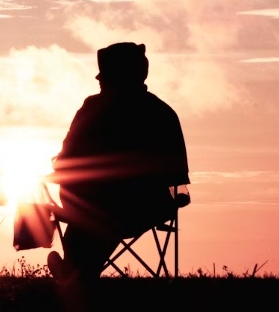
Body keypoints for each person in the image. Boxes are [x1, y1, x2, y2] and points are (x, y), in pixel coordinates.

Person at [48, 42, 190, 281]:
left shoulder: (93, 109)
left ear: (115, 78)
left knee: (93, 213)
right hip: (147, 209)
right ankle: (76, 272)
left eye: (104, 77)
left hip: (97, 207)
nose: (99, 82)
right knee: (100, 213)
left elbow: (65, 160)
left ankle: (75, 273)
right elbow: (178, 177)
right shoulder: (162, 113)